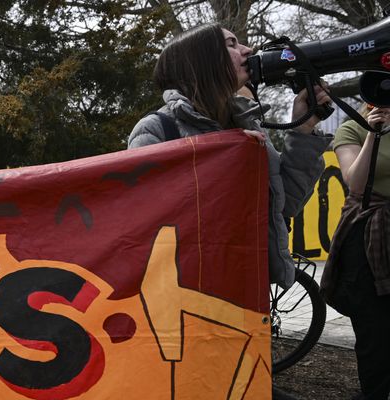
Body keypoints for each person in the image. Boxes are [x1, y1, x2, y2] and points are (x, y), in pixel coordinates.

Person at [127, 24, 332, 289]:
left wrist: (302, 129)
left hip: (248, 286)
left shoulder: (246, 124)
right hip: (188, 295)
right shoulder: (154, 130)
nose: (248, 49)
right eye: (232, 44)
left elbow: (286, 205)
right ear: (200, 61)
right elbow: (145, 228)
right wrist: (225, 156)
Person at [322, 104, 390, 400]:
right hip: (368, 233)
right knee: (374, 326)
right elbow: (356, 183)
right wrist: (373, 134)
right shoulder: (354, 127)